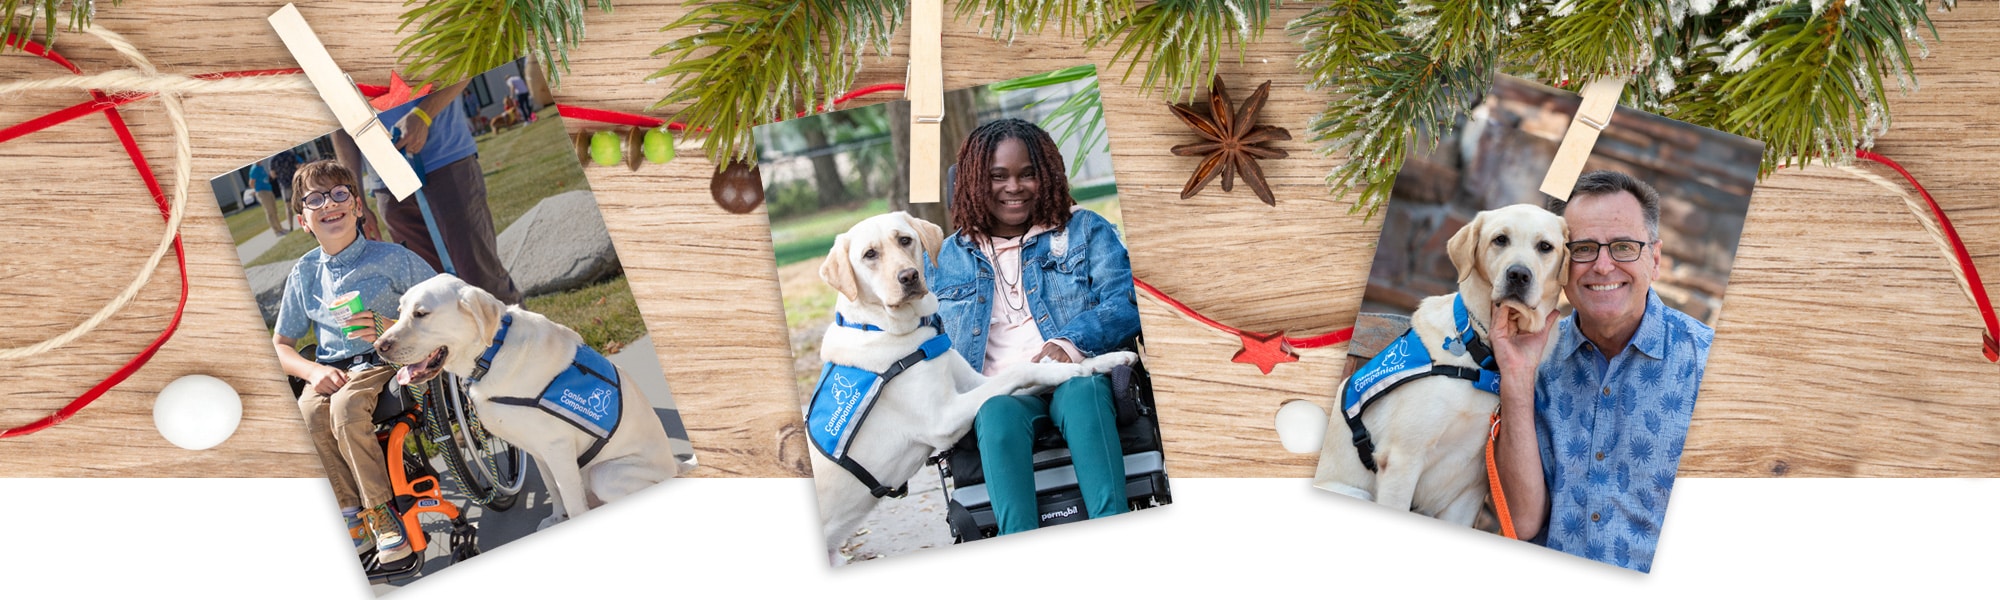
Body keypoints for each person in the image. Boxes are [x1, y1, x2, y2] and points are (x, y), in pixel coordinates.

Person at [924, 118, 1141, 535]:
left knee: (1082, 395)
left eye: (1028, 174)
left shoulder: (1084, 230)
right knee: (996, 412)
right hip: (999, 391)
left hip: (1074, 376)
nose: (1014, 187)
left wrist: (1072, 342)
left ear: (1048, 175)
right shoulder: (943, 258)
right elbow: (926, 339)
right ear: (972, 182)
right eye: (998, 176)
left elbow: (1126, 300)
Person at [1490, 170, 1714, 572]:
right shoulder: (1533, 358)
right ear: (1559, 264)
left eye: (1624, 247)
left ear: (1655, 259)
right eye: (1583, 249)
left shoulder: (1708, 365)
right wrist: (1517, 380)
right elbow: (1521, 524)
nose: (1603, 266)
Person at [270, 160, 437, 572]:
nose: (330, 204)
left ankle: (381, 513)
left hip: (385, 359)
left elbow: (441, 304)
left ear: (358, 207)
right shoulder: (304, 273)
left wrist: (388, 328)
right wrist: (311, 373)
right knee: (308, 411)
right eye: (315, 199)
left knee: (346, 408)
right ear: (304, 221)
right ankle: (351, 515)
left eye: (340, 194)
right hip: (330, 367)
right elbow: (280, 345)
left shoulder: (393, 259)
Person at [336, 80, 523, 305]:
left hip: (447, 160)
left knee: (482, 282)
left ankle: (523, 339)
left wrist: (423, 115)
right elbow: (338, 119)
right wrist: (355, 198)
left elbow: (464, 67)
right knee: (429, 297)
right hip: (388, 182)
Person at [247, 159, 286, 236]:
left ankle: (280, 228)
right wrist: (256, 190)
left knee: (274, 210)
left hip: (268, 190)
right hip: (262, 192)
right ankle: (276, 231)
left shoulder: (260, 167)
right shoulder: (254, 169)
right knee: (270, 212)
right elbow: (251, 183)